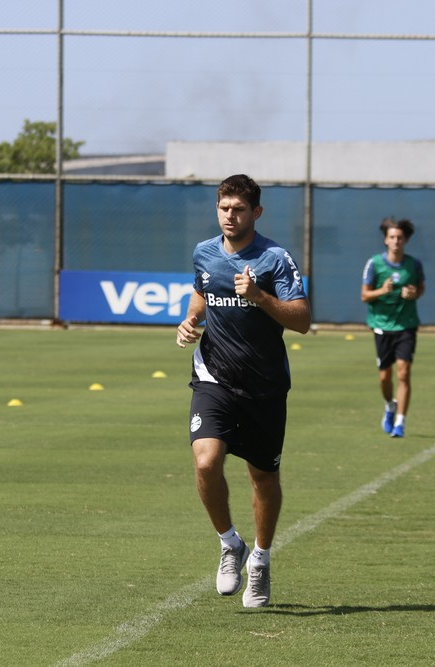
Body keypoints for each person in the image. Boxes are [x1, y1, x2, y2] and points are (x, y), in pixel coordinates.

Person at [176, 174, 311, 608]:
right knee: (206, 460)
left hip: (265, 386)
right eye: (223, 208)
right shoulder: (204, 252)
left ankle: (260, 560)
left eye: (238, 209)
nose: (229, 216)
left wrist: (259, 297)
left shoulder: (274, 259)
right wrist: (191, 320)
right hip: (214, 375)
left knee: (262, 477)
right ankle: (229, 543)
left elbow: (302, 319)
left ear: (256, 212)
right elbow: (202, 292)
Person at [361, 217, 426, 438]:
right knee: (384, 377)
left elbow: (420, 289)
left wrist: (413, 293)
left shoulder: (414, 264)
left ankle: (400, 422)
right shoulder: (374, 264)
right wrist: (382, 291)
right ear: (385, 240)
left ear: (405, 240)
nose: (396, 241)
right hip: (381, 326)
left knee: (404, 372)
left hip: (406, 326)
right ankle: (389, 405)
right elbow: (364, 296)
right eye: (392, 237)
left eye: (400, 237)